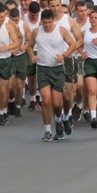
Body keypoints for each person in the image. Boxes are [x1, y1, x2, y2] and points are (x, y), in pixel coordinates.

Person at [28, 8, 78, 141]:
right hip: (43, 69)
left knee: (57, 103)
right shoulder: (36, 32)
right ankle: (47, 131)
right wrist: (32, 56)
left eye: (49, 22)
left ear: (53, 20)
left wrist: (65, 55)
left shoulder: (60, 30)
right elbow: (29, 46)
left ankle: (59, 120)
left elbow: (73, 44)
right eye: (45, 23)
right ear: (41, 22)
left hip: (57, 69)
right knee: (46, 101)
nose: (47, 25)